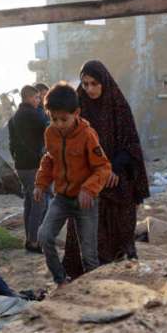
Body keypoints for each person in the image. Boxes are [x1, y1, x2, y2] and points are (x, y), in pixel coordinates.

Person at [63, 60, 150, 279]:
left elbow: (131, 145)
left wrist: (112, 168)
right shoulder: (77, 109)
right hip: (88, 179)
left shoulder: (118, 106)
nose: (89, 89)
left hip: (116, 177)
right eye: (85, 84)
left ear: (104, 82)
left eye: (94, 83)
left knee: (120, 229)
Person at [34, 83, 112, 286]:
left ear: (76, 113)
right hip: (62, 198)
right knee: (44, 236)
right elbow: (49, 160)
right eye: (54, 119)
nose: (58, 124)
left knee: (89, 255)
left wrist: (88, 189)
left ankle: (94, 290)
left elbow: (103, 167)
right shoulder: (50, 133)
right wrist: (41, 183)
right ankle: (61, 281)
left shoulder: (87, 135)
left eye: (63, 119)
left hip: (86, 201)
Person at [8, 85, 50, 252]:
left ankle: (29, 239)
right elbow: (50, 127)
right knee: (39, 203)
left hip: (21, 166)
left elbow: (11, 145)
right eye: (37, 98)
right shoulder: (34, 114)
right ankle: (34, 241)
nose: (39, 101)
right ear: (30, 98)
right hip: (33, 166)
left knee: (29, 203)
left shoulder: (14, 118)